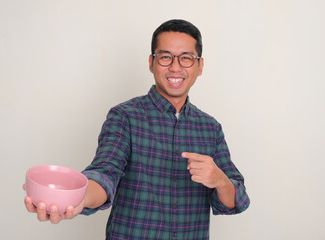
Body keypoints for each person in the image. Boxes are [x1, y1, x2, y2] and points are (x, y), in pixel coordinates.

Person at [24, 19, 250, 239]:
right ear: (151, 62)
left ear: (199, 66)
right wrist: (75, 198)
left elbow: (236, 201)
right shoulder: (125, 116)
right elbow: (104, 173)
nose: (175, 67)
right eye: (165, 57)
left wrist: (220, 179)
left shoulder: (210, 128)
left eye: (186, 58)